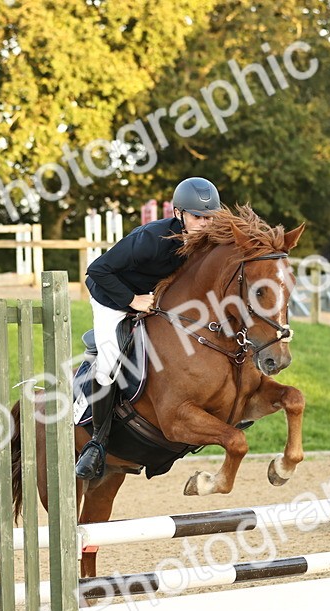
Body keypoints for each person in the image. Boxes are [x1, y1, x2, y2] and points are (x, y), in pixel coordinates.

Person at [74, 177, 220, 480]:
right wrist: (132, 300)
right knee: (109, 361)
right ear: (179, 214)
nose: (205, 225)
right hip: (112, 295)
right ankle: (97, 443)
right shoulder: (150, 238)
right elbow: (97, 269)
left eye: (209, 218)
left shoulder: (207, 239)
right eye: (197, 217)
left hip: (155, 299)